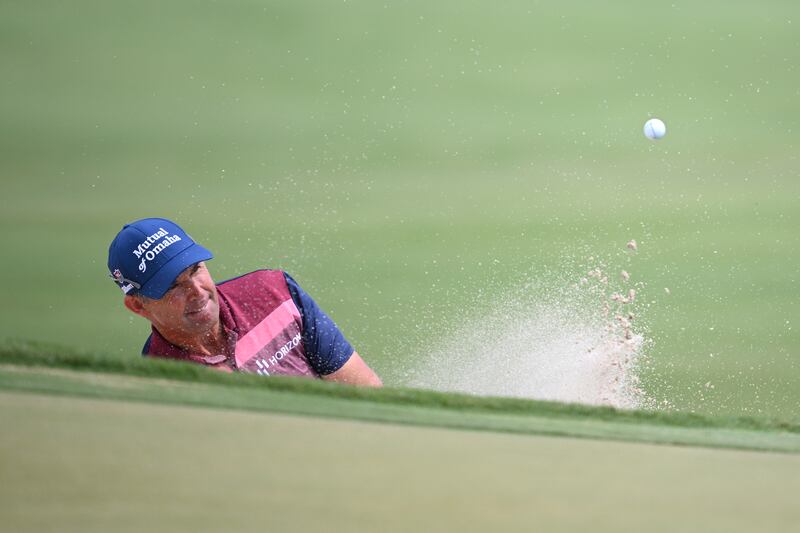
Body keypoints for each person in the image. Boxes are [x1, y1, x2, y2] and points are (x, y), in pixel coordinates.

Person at [107, 217, 382, 387]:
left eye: (195, 270)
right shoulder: (161, 378)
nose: (197, 291)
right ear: (139, 306)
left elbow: (364, 388)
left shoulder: (273, 293)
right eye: (172, 286)